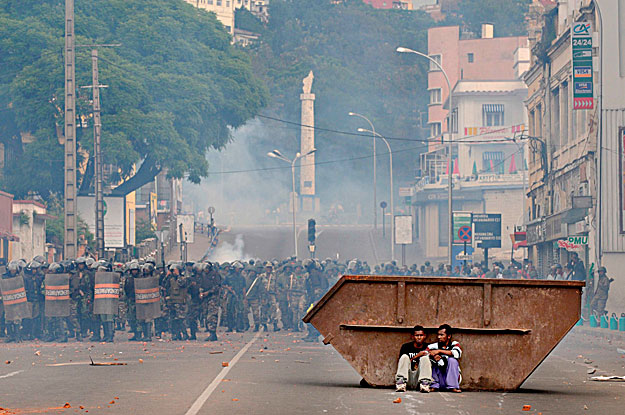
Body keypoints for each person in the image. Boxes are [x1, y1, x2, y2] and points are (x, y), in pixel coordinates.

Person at [395, 325, 434, 393]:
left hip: (420, 378)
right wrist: (417, 356)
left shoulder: (428, 347)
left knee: (425, 358)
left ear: (425, 336)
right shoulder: (406, 347)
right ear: (412, 336)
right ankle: (400, 383)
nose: (419, 337)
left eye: (421, 335)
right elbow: (402, 364)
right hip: (407, 378)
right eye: (417, 335)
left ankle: (425, 385)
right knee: (404, 357)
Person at [427, 324, 462, 393]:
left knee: (452, 360)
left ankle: (453, 387)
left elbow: (456, 353)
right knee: (431, 360)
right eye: (438, 335)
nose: (439, 337)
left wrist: (439, 351)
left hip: (452, 379)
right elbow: (425, 353)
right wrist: (433, 357)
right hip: (440, 380)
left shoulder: (454, 344)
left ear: (449, 336)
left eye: (442, 335)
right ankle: (434, 386)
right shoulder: (433, 346)